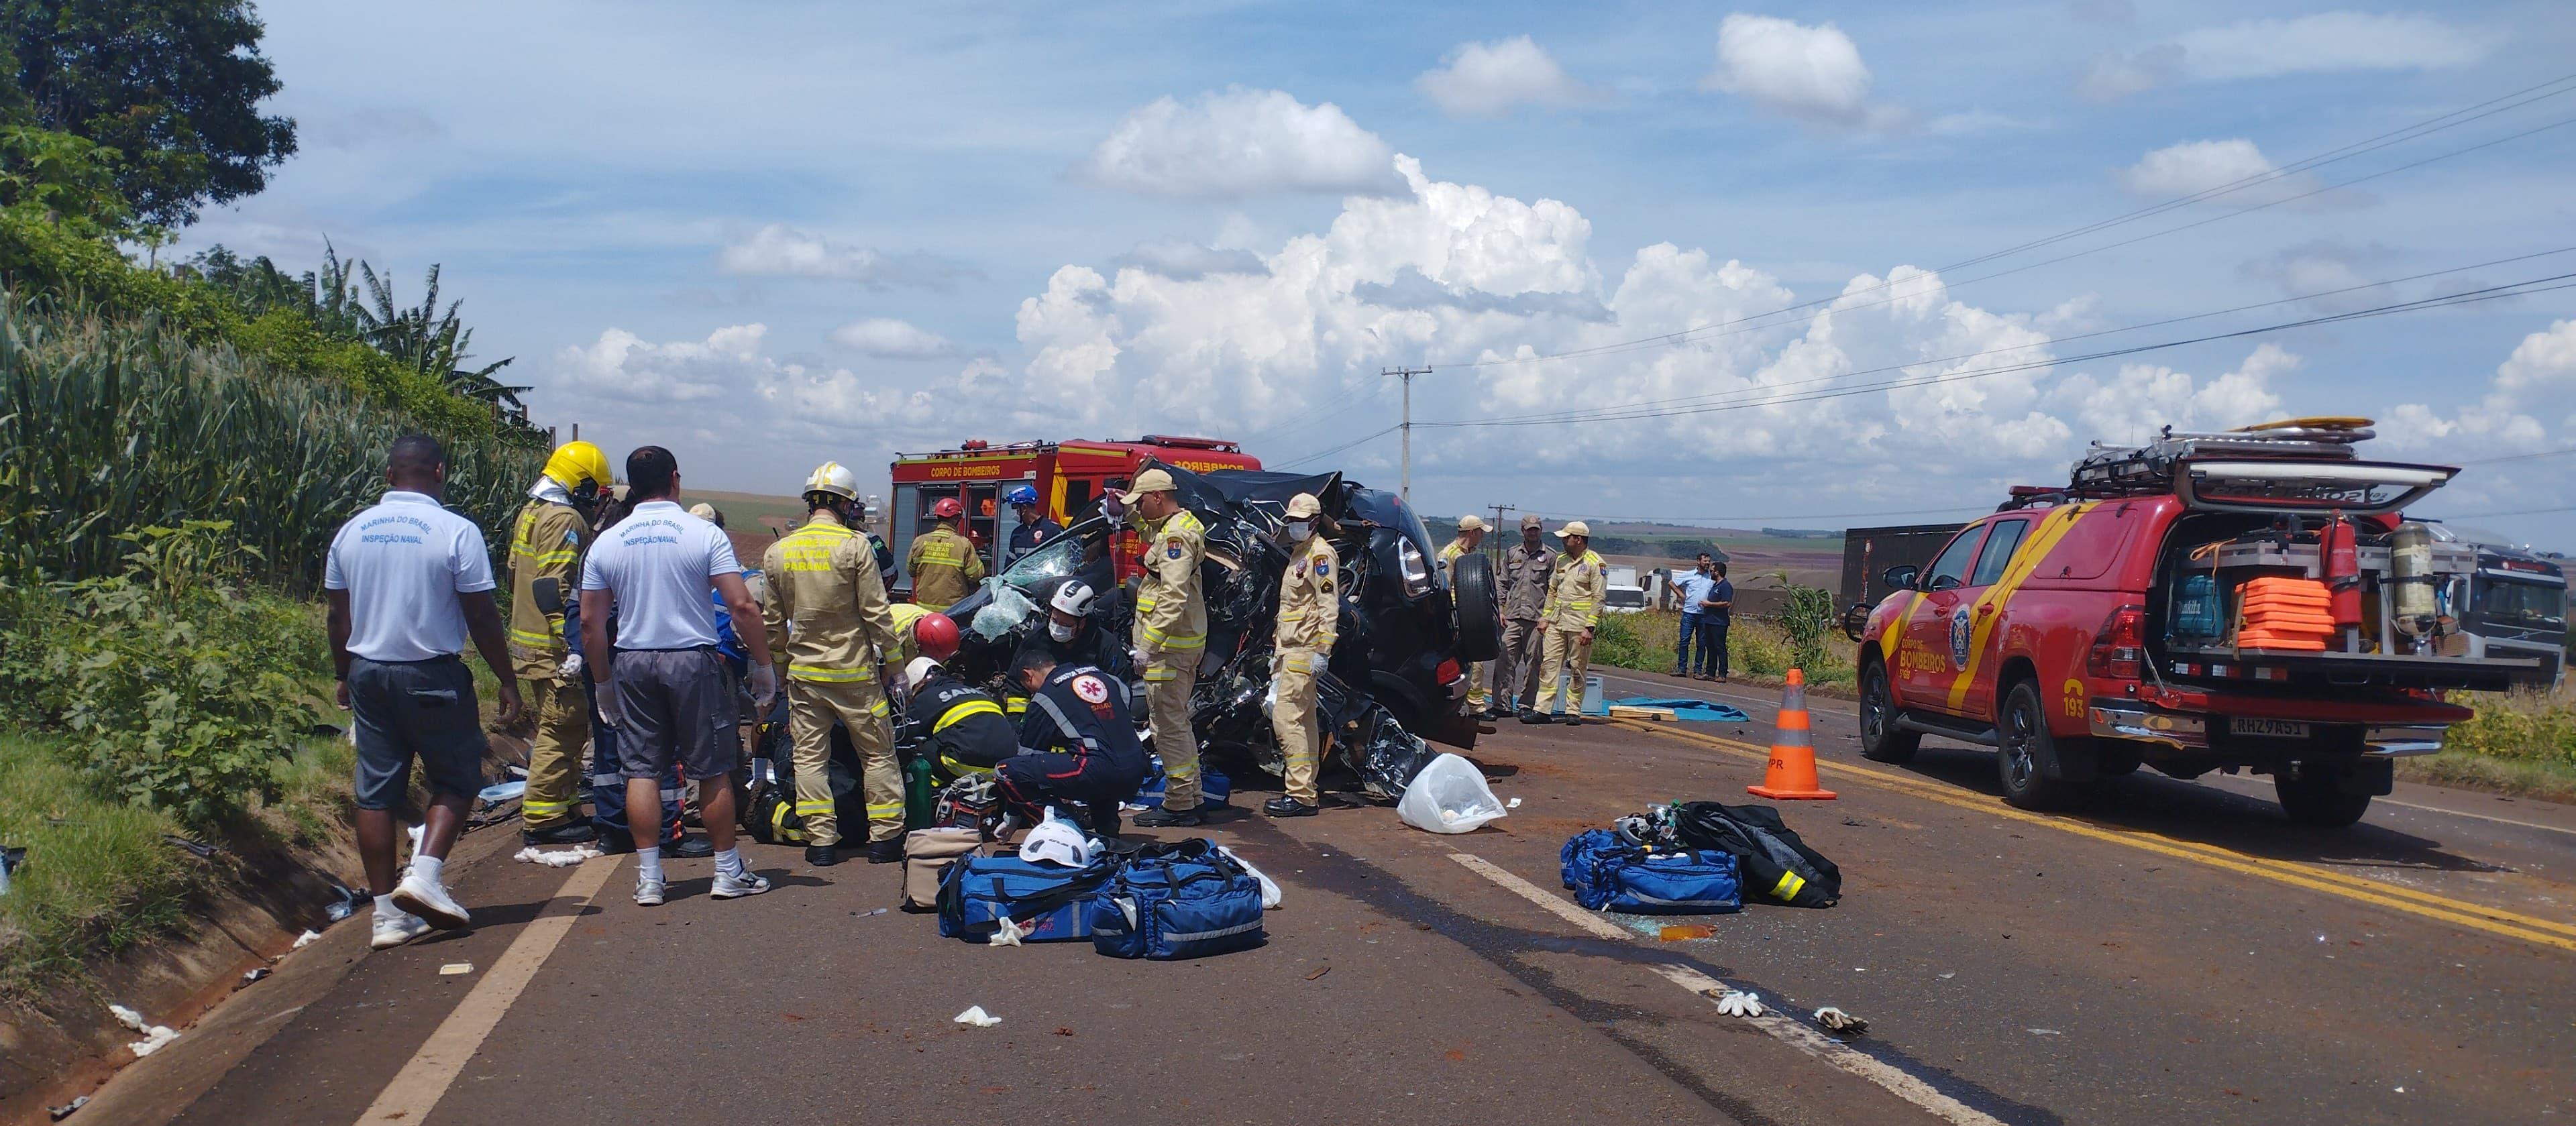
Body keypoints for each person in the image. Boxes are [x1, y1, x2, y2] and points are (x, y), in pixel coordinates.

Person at [322, 435, 526, 951]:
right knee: (458, 777)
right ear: (439, 471)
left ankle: (386, 914)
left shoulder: (351, 532)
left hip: (369, 672)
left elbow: (336, 615)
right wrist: (506, 677)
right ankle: (426, 875)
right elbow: (480, 612)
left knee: (375, 792)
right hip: (431, 674)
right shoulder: (456, 531)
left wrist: (342, 673)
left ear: (389, 475)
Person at [580, 446, 778, 906]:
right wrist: (764, 666)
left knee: (642, 770)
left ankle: (650, 877)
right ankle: (727, 870)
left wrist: (604, 682)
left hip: (632, 659)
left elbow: (591, 623)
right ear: (675, 479)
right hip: (692, 659)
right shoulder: (702, 533)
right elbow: (742, 605)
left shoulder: (607, 541)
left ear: (631, 483)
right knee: (710, 770)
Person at [760, 461, 906, 868]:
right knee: (877, 755)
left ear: (810, 503)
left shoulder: (778, 553)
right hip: (856, 675)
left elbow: (773, 623)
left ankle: (821, 844)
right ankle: (886, 840)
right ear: (846, 505)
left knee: (809, 758)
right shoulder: (856, 546)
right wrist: (895, 667)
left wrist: (782, 668)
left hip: (805, 677)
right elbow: (877, 613)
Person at [504, 441, 610, 848]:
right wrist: (573, 644)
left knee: (566, 728)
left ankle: (564, 809)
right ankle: (544, 817)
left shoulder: (530, 513)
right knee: (561, 730)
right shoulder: (565, 519)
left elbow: (516, 575)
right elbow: (557, 586)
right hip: (555, 651)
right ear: (582, 487)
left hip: (528, 644)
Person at [1120, 469, 1212, 829]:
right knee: (1177, 723)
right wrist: (1124, 506)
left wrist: (1147, 646)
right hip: (1178, 644)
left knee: (1166, 727)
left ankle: (1179, 804)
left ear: (1158, 496)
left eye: (1141, 501)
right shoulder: (1176, 526)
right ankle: (1193, 796)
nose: (1139, 509)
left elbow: (1174, 596)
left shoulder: (1176, 537)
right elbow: (1146, 531)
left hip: (1169, 648)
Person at [998, 644, 1147, 838]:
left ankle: (1066, 831)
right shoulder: (1104, 677)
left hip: (1099, 771)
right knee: (1097, 752)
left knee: (1005, 771)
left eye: (1028, 687)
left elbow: (1025, 758)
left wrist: (1013, 818)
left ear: (1029, 676)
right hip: (1136, 769)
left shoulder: (1046, 696)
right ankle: (1108, 831)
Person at [1267, 494, 1339, 818]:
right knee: (1305, 721)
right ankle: (1306, 789)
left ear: (1314, 521)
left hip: (1305, 649)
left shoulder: (1320, 555)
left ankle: (1299, 793)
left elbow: (1328, 605)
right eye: (1291, 521)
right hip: (1292, 649)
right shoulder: (1301, 553)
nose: (1294, 526)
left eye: (1300, 521)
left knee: (1286, 718)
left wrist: (1323, 650)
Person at [1523, 521, 1606, 726]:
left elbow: (1599, 598)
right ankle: (1542, 710)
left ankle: (1573, 711)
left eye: (1566, 537)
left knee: (1578, 668)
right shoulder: (1561, 561)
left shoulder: (1596, 563)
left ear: (1578, 539)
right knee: (1548, 666)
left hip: (1579, 626)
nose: (1562, 540)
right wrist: (1545, 618)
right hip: (1557, 623)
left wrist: (1590, 627)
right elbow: (1552, 592)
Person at [901, 654, 1017, 780]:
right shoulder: (978, 693)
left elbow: (905, 735)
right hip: (1006, 763)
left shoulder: (925, 698)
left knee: (920, 749)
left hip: (965, 762)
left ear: (915, 685)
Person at [1493, 514, 1556, 718]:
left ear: (1541, 530)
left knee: (1534, 664)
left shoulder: (1550, 557)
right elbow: (1502, 583)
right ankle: (1502, 705)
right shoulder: (1512, 554)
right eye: (1529, 529)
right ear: (1523, 531)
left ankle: (1526, 706)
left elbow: (1555, 589)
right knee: (1504, 661)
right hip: (1512, 617)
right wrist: (1501, 610)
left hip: (1537, 620)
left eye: (1536, 529)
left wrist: (1547, 617)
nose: (1533, 533)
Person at [1437, 514, 1490, 717]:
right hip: (1458, 618)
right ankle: (1464, 707)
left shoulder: (1472, 555)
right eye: (1481, 532)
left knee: (1477, 663)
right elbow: (1444, 587)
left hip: (1471, 616)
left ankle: (1476, 705)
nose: (1482, 537)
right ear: (1472, 533)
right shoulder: (1449, 554)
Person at [907, 496, 984, 611]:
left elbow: (911, 570)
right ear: (955, 519)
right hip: (953, 611)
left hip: (924, 610)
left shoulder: (919, 541)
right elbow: (976, 575)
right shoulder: (964, 544)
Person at [1672, 553, 1719, 679]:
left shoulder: (1712, 577)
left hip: (1704, 614)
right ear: (1698, 561)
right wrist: (1681, 595)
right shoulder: (1689, 575)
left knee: (1702, 643)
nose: (1707, 563)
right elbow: (1672, 583)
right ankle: (1682, 668)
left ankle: (1697, 670)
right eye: (1705, 561)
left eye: (1709, 561)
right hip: (1689, 613)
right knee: (1684, 641)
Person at [1004, 484, 1061, 569]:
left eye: (1014, 507)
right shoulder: (1017, 533)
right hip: (1020, 582)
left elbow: (1061, 563)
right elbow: (1009, 566)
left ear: (1024, 508)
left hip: (1045, 581)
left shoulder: (1053, 530)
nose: (1013, 512)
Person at [1700, 561, 1734, 682]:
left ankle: (1722, 673)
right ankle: (1710, 672)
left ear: (1717, 572)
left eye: (1712, 571)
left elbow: (1727, 603)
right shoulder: (1715, 585)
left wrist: (1710, 604)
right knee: (1710, 647)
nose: (1710, 573)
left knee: (1720, 647)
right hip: (1709, 620)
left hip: (1719, 622)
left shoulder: (1725, 586)